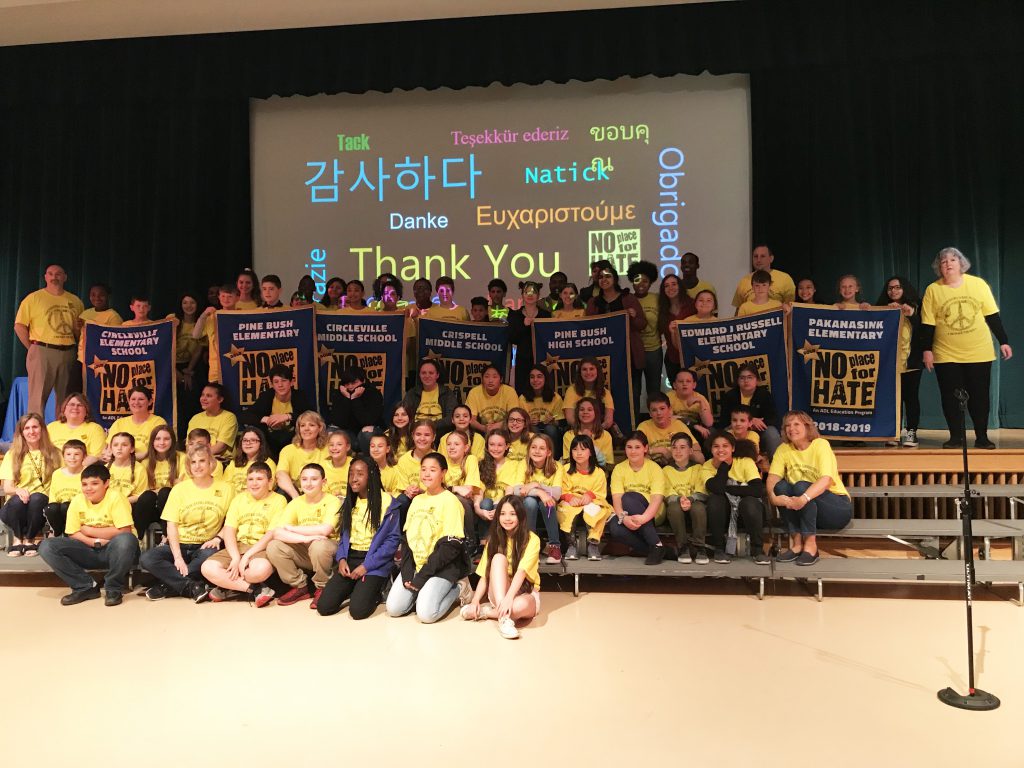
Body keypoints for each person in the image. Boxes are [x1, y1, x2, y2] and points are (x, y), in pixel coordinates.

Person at [921, 247, 1012, 450]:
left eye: (953, 259)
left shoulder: (978, 284)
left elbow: (992, 316)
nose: (948, 264)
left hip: (978, 352)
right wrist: (927, 350)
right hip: (946, 353)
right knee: (951, 397)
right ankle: (956, 437)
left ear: (961, 264)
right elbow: (928, 324)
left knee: (979, 397)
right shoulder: (933, 290)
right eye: (943, 261)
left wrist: (1003, 341)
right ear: (939, 267)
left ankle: (982, 437)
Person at [140, 444, 234, 601]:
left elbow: (231, 522)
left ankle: (167, 585)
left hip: (206, 545)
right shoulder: (179, 489)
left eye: (202, 461)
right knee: (147, 559)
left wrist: (218, 538)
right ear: (188, 466)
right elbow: (171, 525)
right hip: (180, 544)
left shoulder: (227, 489)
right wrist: (177, 557)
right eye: (193, 462)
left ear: (211, 463)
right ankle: (191, 586)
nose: (197, 466)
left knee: (208, 558)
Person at [38, 463, 139, 606]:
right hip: (89, 548)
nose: (88, 488)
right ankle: (85, 586)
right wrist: (94, 541)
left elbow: (124, 531)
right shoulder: (78, 500)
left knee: (126, 540)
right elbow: (73, 532)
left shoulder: (116, 497)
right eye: (84, 484)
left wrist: (89, 531)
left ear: (106, 483)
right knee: (47, 546)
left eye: (94, 483)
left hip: (116, 551)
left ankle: (113, 588)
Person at [385, 452, 470, 623]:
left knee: (426, 615)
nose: (427, 474)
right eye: (423, 469)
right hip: (417, 565)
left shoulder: (451, 501)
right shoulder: (416, 501)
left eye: (433, 470)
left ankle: (458, 588)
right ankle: (423, 591)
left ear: (443, 473)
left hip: (441, 567)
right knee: (393, 609)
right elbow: (407, 540)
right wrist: (408, 573)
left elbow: (449, 549)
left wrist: (422, 576)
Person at [318, 458, 401, 619]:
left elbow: (391, 541)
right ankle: (356, 588)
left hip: (374, 561)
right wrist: (342, 559)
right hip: (351, 559)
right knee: (324, 607)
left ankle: (377, 588)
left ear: (371, 476)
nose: (354, 478)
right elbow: (344, 536)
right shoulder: (351, 501)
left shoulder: (388, 503)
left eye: (360, 474)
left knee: (358, 611)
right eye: (351, 474)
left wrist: (366, 566)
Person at [767, 411, 853, 565]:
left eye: (796, 424)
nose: (791, 428)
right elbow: (772, 478)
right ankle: (797, 544)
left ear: (807, 427)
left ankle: (811, 546)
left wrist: (803, 499)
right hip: (806, 511)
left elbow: (826, 480)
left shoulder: (821, 445)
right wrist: (774, 498)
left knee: (801, 486)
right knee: (781, 487)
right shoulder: (783, 449)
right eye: (787, 425)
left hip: (836, 509)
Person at [200, 461, 284, 604]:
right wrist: (235, 557)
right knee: (207, 568)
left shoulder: (279, 500)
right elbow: (229, 530)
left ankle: (228, 586)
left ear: (270, 482)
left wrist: (247, 557)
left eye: (259, 479)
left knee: (259, 570)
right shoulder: (239, 499)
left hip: (261, 547)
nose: (254, 483)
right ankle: (254, 589)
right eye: (250, 479)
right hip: (238, 545)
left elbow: (271, 534)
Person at [461, 495, 540, 639]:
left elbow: (522, 572)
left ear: (521, 516)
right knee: (498, 558)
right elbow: (485, 576)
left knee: (519, 606)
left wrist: (509, 598)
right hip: (499, 592)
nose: (507, 518)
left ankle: (486, 612)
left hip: (524, 591)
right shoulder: (493, 540)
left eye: (512, 514)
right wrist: (475, 601)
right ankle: (504, 619)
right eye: (502, 514)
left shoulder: (532, 539)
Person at [266, 463, 341, 608]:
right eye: (304, 479)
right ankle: (300, 586)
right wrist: (305, 538)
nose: (309, 483)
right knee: (274, 546)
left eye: (314, 479)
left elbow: (325, 530)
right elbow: (278, 532)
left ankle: (322, 587)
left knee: (318, 545)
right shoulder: (295, 503)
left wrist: (293, 528)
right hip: (306, 549)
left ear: (323, 482)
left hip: (327, 549)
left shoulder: (332, 501)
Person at [14, 264, 85, 416]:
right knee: (37, 398)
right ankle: (35, 435)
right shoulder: (33, 298)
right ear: (45, 277)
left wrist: (78, 329)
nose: (54, 277)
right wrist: (32, 348)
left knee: (66, 398)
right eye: (50, 274)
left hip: (68, 352)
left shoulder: (75, 301)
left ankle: (63, 434)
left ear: (65, 277)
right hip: (41, 350)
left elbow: (78, 332)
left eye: (58, 274)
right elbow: (19, 326)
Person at [586, 263, 647, 415]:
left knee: (632, 392)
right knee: (604, 393)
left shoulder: (628, 298)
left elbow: (642, 324)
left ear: (615, 279)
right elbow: (587, 328)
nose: (604, 279)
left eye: (608, 276)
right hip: (603, 357)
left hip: (628, 356)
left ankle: (632, 424)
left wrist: (633, 317)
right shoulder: (593, 302)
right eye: (600, 277)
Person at [703, 432, 769, 565]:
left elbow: (757, 490)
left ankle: (757, 550)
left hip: (748, 514)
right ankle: (719, 549)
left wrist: (730, 490)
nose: (721, 450)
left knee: (749, 502)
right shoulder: (706, 466)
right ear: (711, 449)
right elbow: (716, 489)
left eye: (725, 446)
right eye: (716, 446)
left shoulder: (745, 462)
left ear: (733, 448)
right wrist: (724, 467)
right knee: (715, 500)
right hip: (725, 517)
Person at [1, 412, 59, 557]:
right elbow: (7, 487)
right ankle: (17, 539)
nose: (31, 431)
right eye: (27, 428)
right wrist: (18, 490)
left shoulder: (55, 453)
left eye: (35, 427)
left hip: (42, 504)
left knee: (37, 498)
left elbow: (61, 481)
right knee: (18, 500)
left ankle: (30, 540)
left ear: (42, 429)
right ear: (21, 432)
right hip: (15, 507)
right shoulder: (12, 454)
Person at [876, 276, 925, 447]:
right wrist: (881, 312)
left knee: (911, 397)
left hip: (911, 361)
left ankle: (911, 431)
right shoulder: (881, 307)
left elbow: (923, 331)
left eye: (897, 287)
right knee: (893, 398)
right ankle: (894, 431)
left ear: (905, 289)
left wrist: (911, 314)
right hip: (890, 362)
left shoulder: (916, 307)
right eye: (890, 288)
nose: (894, 291)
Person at [609, 432, 672, 565]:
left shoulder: (655, 468)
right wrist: (623, 518)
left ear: (645, 448)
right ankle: (657, 548)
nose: (633, 451)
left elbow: (656, 499)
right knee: (615, 527)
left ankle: (655, 545)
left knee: (628, 498)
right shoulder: (619, 469)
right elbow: (616, 499)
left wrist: (644, 518)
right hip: (627, 514)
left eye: (637, 447)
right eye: (629, 447)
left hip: (653, 514)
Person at [507, 434, 563, 563]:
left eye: (542, 448)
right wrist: (539, 492)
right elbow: (517, 490)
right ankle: (529, 546)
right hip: (527, 505)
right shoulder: (523, 464)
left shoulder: (557, 466)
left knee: (547, 503)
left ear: (549, 452)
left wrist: (536, 485)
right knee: (530, 502)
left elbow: (557, 493)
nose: (537, 451)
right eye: (533, 447)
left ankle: (555, 547)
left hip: (547, 506)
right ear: (529, 450)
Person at [556, 435, 611, 561]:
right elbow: (561, 489)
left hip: (591, 502)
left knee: (596, 509)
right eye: (575, 449)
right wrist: (568, 497)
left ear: (590, 451)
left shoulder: (598, 472)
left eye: (583, 449)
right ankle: (571, 544)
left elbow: (601, 493)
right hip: (571, 502)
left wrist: (590, 496)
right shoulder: (565, 469)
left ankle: (593, 544)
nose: (578, 453)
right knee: (565, 509)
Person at [242, 363, 316, 456]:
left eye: (284, 380)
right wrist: (266, 419)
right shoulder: (267, 396)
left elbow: (313, 416)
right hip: (270, 441)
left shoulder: (300, 396)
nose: (280, 385)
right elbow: (245, 415)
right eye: (276, 382)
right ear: (272, 384)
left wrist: (287, 416)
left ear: (291, 382)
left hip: (294, 439)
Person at [715, 362, 781, 457]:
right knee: (722, 435)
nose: (746, 381)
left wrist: (753, 424)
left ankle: (775, 465)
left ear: (757, 380)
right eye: (742, 378)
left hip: (758, 430)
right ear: (737, 381)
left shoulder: (764, 395)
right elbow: (723, 422)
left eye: (750, 377)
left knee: (771, 433)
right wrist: (750, 420)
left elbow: (773, 419)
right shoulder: (730, 396)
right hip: (735, 429)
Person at [662, 432, 709, 564]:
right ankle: (682, 547)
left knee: (698, 508)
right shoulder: (666, 470)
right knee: (674, 508)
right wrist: (679, 499)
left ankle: (700, 547)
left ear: (690, 450)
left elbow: (702, 490)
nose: (678, 451)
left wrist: (690, 499)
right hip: (676, 504)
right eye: (674, 447)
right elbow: (666, 491)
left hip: (695, 503)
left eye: (682, 447)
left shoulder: (698, 468)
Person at [132, 425, 184, 540]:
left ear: (173, 441)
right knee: (147, 496)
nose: (162, 442)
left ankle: (167, 536)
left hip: (173, 508)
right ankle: (137, 539)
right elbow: (145, 491)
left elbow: (182, 487)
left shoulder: (182, 458)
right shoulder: (145, 463)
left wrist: (158, 490)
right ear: (152, 441)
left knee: (166, 492)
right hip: (152, 508)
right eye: (158, 439)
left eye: (166, 439)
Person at [474, 430, 522, 543]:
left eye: (500, 445)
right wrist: (478, 509)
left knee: (495, 505)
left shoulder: (514, 464)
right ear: (487, 446)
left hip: (504, 503)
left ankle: (501, 543)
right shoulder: (481, 464)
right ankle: (484, 544)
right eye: (492, 445)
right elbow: (478, 491)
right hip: (486, 506)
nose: (495, 448)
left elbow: (509, 492)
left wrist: (500, 509)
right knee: (485, 503)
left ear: (507, 446)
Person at [171, 292, 207, 440]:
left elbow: (199, 348)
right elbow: (166, 346)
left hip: (192, 367)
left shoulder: (201, 322)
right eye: (185, 302)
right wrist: (176, 372)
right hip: (173, 366)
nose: (189, 306)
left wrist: (188, 371)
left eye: (192, 302)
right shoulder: (173, 319)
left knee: (191, 401)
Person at [628, 260, 665, 400]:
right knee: (634, 390)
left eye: (646, 281)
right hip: (633, 351)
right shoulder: (627, 299)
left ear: (650, 283)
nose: (641, 284)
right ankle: (634, 421)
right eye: (637, 280)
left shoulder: (657, 298)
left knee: (654, 389)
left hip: (654, 350)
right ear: (632, 281)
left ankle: (655, 420)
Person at [507, 281, 551, 392]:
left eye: (534, 292)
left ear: (539, 295)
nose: (530, 295)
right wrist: (524, 325)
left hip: (543, 360)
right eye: (527, 292)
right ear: (522, 295)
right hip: (523, 361)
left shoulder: (545, 315)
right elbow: (512, 338)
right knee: (523, 392)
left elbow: (549, 338)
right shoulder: (514, 315)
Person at [328, 365, 382, 455]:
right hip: (349, 434)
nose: (350, 386)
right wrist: (347, 398)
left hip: (367, 434)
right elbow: (338, 421)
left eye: (354, 383)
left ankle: (369, 462)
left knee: (367, 433)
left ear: (363, 381)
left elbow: (367, 421)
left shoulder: (373, 393)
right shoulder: (340, 394)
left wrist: (355, 399)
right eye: (347, 384)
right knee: (331, 431)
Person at [443, 431, 483, 550]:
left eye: (456, 444)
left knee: (459, 499)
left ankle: (470, 540)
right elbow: (435, 488)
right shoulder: (442, 461)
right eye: (449, 444)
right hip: (446, 501)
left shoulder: (470, 459)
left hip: (468, 503)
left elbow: (468, 491)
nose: (452, 447)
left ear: (466, 447)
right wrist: (455, 488)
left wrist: (449, 489)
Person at [398, 358, 459, 436]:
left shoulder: (447, 393)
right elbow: (404, 415)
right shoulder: (412, 393)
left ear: (437, 375)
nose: (427, 376)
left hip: (439, 434)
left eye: (431, 373)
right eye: (423, 373)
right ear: (419, 375)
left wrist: (429, 426)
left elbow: (452, 417)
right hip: (416, 434)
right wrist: (419, 428)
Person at [192, 283, 240, 384]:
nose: (226, 299)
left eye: (230, 296)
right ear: (218, 297)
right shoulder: (212, 316)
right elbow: (195, 335)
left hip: (239, 367)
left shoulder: (242, 316)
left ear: (237, 298)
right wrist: (203, 315)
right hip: (216, 371)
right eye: (223, 296)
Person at [75, 282, 122, 385]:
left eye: (101, 295)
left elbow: (115, 342)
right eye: (93, 294)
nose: (97, 298)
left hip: (101, 361)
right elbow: (79, 336)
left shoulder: (113, 316)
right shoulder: (85, 313)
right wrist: (78, 328)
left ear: (108, 296)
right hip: (82, 359)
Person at [275, 411, 329, 499]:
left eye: (311, 425)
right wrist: (296, 497)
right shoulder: (288, 450)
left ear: (320, 428)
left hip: (322, 494)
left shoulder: (328, 450)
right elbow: (280, 475)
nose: (306, 429)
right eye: (302, 425)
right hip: (296, 494)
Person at [637, 392, 702, 466]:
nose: (659, 413)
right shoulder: (644, 426)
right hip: (653, 467)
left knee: (699, 457)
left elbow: (697, 448)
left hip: (676, 464)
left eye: (662, 408)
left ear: (669, 409)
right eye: (654, 410)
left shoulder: (678, 424)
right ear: (650, 413)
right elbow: (635, 450)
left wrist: (675, 452)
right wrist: (661, 450)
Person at [105, 386, 166, 461]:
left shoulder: (158, 422)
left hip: (149, 466)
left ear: (150, 401)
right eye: (133, 399)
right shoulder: (119, 423)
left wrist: (124, 457)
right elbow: (109, 451)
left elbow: (157, 451)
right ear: (129, 401)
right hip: (122, 467)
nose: (136, 402)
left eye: (141, 399)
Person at [731, 244, 796, 314]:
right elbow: (738, 310)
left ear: (771, 258)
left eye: (762, 256)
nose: (758, 260)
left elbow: (791, 308)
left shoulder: (785, 279)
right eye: (755, 256)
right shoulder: (744, 281)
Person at [43, 440, 87, 537]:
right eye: (68, 454)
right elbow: (53, 498)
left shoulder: (87, 473)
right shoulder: (57, 474)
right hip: (60, 511)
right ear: (63, 456)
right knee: (51, 508)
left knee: (66, 506)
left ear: (84, 456)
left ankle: (70, 535)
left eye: (77, 454)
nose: (72, 457)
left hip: (80, 512)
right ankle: (58, 533)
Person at [47, 392, 106, 463]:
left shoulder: (95, 429)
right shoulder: (51, 427)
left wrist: (73, 471)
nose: (75, 407)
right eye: (72, 404)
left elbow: (95, 457)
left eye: (80, 405)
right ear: (64, 409)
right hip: (53, 472)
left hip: (82, 472)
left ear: (86, 411)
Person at [659, 273, 697, 383]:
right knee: (677, 395)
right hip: (673, 358)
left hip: (693, 359)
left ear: (680, 286)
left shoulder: (692, 305)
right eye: (666, 285)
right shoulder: (663, 311)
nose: (670, 288)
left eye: (674, 284)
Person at [187, 382, 238, 459]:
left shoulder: (229, 417)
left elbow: (221, 446)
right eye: (202, 395)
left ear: (220, 399)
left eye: (209, 396)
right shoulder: (195, 418)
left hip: (220, 460)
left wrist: (200, 456)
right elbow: (188, 445)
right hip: (196, 459)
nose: (203, 399)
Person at [562, 357, 615, 431]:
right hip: (577, 431)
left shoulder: (605, 392)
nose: (588, 372)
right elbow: (570, 419)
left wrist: (596, 431)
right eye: (584, 369)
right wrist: (583, 431)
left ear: (598, 371)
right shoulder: (572, 390)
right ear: (580, 372)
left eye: (591, 369)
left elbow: (608, 421)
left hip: (599, 430)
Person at [466, 365, 520, 436]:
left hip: (505, 431)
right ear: (482, 379)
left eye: (494, 377)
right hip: (482, 431)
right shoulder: (474, 392)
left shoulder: (509, 392)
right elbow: (471, 420)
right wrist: (484, 428)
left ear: (501, 379)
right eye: (487, 377)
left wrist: (498, 426)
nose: (490, 380)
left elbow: (514, 417)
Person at [519, 365, 563, 452]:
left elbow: (563, 422)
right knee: (533, 429)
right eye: (532, 377)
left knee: (550, 429)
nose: (535, 380)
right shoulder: (522, 398)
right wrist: (527, 421)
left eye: (539, 377)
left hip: (551, 431)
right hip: (532, 429)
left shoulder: (555, 397)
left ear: (545, 379)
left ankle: (552, 460)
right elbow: (518, 421)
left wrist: (553, 421)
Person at [223, 425, 277, 494]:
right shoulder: (234, 463)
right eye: (245, 440)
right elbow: (225, 487)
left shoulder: (268, 463)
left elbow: (268, 488)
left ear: (261, 444)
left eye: (253, 440)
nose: (248, 443)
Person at [561, 397, 613, 467]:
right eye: (582, 409)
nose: (585, 412)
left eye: (589, 409)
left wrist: (588, 441)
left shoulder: (605, 435)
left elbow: (607, 465)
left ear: (596, 413)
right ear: (577, 413)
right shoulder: (568, 435)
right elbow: (569, 462)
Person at [667, 369, 713, 442]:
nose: (684, 384)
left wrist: (701, 403)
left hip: (697, 431)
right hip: (677, 429)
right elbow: (668, 418)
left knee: (711, 432)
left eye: (688, 381)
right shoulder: (669, 397)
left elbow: (709, 423)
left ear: (694, 385)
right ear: (674, 385)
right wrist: (694, 425)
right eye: (681, 381)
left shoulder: (700, 398)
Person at [319, 431, 352, 499]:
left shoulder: (355, 465)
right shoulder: (322, 467)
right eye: (331, 445)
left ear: (348, 447)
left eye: (339, 444)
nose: (334, 448)